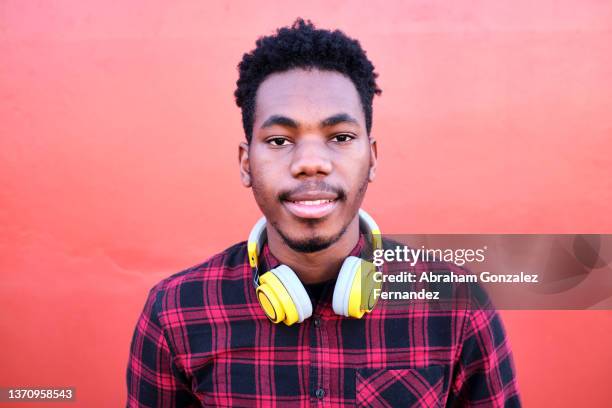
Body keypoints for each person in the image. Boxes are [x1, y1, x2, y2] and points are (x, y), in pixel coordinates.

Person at [126, 19, 521, 407]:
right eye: (279, 140)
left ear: (372, 158)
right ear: (246, 163)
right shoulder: (175, 312)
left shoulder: (457, 304)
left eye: (341, 137)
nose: (311, 163)